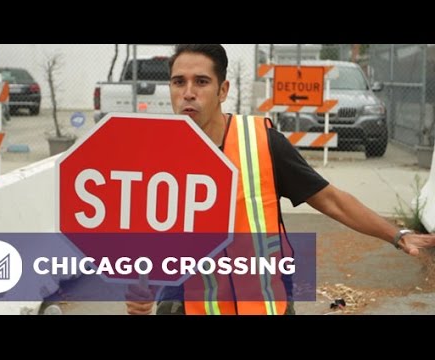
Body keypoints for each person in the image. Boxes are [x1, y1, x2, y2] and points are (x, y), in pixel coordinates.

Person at [126, 44, 435, 315]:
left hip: (261, 298)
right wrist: (142, 290)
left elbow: (331, 200)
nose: (188, 92)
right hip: (186, 299)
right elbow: (147, 238)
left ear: (223, 90)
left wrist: (397, 235)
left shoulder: (261, 143)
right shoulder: (155, 154)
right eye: (179, 82)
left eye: (201, 82)